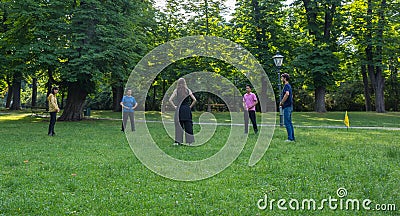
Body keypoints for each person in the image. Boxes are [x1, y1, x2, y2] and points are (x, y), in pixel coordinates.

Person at [169, 78, 197, 145]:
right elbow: (195, 100)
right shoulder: (188, 90)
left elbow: (170, 100)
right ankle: (190, 142)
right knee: (188, 125)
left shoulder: (176, 90)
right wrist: (189, 107)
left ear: (178, 83)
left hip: (179, 109)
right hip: (186, 109)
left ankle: (178, 142)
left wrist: (175, 106)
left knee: (179, 126)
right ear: (185, 83)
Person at [279, 73, 295, 142]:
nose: (281, 79)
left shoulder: (286, 86)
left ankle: (290, 138)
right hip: (290, 106)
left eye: (282, 78)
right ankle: (292, 137)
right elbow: (291, 96)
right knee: (289, 122)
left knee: (287, 122)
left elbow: (287, 94)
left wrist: (282, 102)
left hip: (287, 106)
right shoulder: (289, 86)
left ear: (285, 78)